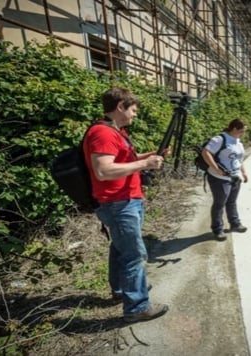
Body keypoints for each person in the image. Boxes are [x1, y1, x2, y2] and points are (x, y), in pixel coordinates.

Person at [83, 87, 169, 323]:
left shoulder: (115, 132)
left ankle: (121, 290)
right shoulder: (103, 133)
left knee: (120, 248)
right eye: (133, 110)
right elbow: (104, 170)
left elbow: (123, 160)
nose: (135, 115)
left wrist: (148, 157)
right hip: (118, 203)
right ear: (120, 107)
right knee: (134, 254)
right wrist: (145, 165)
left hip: (124, 200)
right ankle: (137, 307)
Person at [202, 118, 249, 240]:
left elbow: (239, 159)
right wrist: (216, 168)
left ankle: (235, 223)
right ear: (234, 129)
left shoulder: (237, 141)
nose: (243, 134)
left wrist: (244, 173)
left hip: (235, 176)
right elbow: (206, 152)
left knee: (232, 201)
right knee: (219, 203)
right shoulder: (219, 139)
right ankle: (218, 229)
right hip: (219, 178)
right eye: (241, 131)